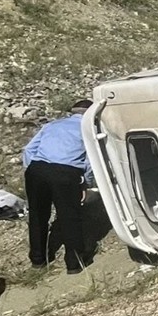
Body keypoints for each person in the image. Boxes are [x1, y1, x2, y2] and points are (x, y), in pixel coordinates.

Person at [22, 98, 95, 274]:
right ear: (90, 114)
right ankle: (74, 263)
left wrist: (33, 170)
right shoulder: (89, 129)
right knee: (69, 216)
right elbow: (90, 161)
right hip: (65, 173)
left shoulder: (52, 125)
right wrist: (86, 183)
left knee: (37, 215)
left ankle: (38, 260)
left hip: (37, 169)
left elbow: (28, 150)